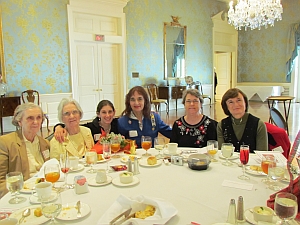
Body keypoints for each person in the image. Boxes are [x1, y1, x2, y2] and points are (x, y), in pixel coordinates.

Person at [0, 103, 50, 198]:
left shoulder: (45, 143)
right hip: (21, 194)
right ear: (19, 121)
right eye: (30, 118)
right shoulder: (5, 143)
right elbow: (1, 181)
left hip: (44, 190)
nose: (35, 122)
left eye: (38, 117)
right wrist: (17, 194)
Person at [217, 88, 268, 153]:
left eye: (239, 100)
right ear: (226, 106)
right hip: (228, 162)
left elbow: (262, 154)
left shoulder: (258, 124)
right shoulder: (221, 125)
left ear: (245, 102)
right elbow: (222, 153)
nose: (236, 105)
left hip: (253, 162)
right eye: (231, 102)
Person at [53, 100, 119, 143]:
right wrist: (58, 127)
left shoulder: (118, 124)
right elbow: (73, 124)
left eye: (110, 112)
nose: (107, 115)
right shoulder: (90, 128)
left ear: (114, 112)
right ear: (98, 114)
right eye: (104, 112)